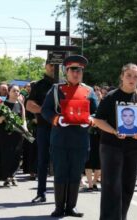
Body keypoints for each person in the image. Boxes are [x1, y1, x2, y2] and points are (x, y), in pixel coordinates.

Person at [93, 63, 137, 220]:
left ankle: (121, 217)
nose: (132, 79)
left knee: (128, 186)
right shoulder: (110, 97)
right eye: (129, 75)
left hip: (135, 148)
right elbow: (98, 120)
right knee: (111, 186)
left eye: (136, 76)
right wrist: (114, 131)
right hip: (111, 146)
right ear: (122, 76)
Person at [41, 55, 98, 217]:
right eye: (73, 69)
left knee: (75, 173)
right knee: (60, 173)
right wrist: (57, 119)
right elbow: (46, 110)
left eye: (79, 70)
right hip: (60, 138)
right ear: (66, 71)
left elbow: (96, 111)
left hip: (80, 139)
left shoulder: (89, 91)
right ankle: (59, 207)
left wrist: (91, 120)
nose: (76, 73)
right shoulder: (56, 89)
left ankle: (71, 206)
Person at [27, 60, 55, 203]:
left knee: (61, 161)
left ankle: (62, 195)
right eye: (51, 64)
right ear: (45, 66)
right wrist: (45, 111)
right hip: (44, 127)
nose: (53, 67)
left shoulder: (66, 84)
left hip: (63, 129)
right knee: (43, 160)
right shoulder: (39, 85)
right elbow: (29, 105)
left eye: (56, 64)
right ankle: (41, 193)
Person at [0, 85, 26, 187]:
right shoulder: (3, 104)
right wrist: (5, 116)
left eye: (18, 91)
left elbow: (23, 120)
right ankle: (6, 177)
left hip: (17, 134)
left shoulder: (21, 105)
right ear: (9, 92)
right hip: (5, 134)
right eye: (14, 91)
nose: (16, 92)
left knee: (16, 155)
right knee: (6, 155)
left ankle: (13, 175)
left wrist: (24, 129)